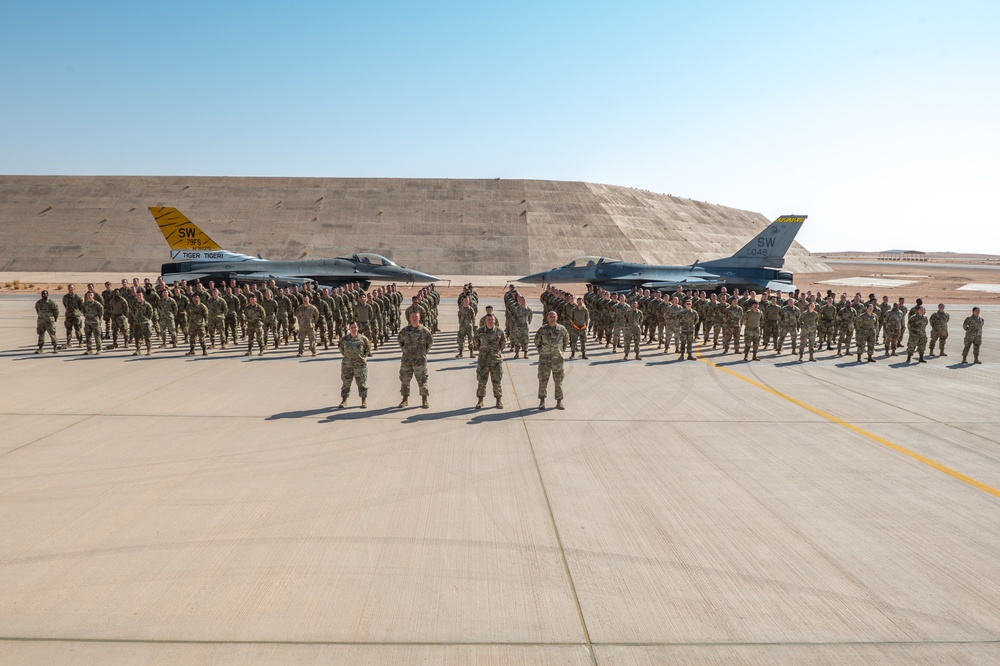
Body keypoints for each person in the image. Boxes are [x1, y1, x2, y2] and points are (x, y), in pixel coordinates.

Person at [397, 311, 433, 408]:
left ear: (419, 318)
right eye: (412, 316)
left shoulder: (424, 331)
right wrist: (406, 351)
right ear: (409, 318)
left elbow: (429, 343)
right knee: (405, 380)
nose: (414, 318)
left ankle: (424, 400)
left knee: (422, 380)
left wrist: (423, 353)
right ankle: (404, 400)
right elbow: (400, 342)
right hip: (406, 361)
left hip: (420, 361)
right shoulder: (404, 331)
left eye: (416, 316)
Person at [534, 311, 569, 409]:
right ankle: (542, 401)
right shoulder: (542, 329)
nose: (552, 318)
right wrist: (542, 351)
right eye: (550, 316)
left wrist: (560, 352)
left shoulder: (562, 329)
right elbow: (537, 342)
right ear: (547, 318)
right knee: (543, 380)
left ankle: (559, 401)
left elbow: (566, 341)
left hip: (557, 360)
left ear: (557, 317)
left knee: (558, 381)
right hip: (544, 360)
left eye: (554, 316)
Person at [474, 313, 506, 409]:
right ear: (485, 321)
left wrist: (496, 352)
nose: (490, 321)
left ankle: (498, 400)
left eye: (492, 319)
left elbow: (503, 343)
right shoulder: (479, 331)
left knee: (497, 381)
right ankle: (480, 401)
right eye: (488, 319)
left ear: (495, 320)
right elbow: (476, 343)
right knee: (481, 381)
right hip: (483, 361)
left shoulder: (499, 331)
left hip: (495, 361)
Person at [339, 322, 372, 408]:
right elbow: (341, 348)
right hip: (347, 365)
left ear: (358, 328)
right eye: (352, 327)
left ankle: (363, 401)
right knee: (346, 383)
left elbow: (367, 349)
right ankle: (344, 400)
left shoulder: (363, 339)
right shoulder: (344, 339)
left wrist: (361, 357)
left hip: (360, 365)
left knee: (362, 383)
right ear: (349, 329)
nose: (354, 329)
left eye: (355, 327)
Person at [34, 290, 60, 354]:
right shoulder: (38, 302)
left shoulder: (51, 302)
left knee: (52, 334)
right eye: (43, 294)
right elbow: (37, 310)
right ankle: (40, 348)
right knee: (41, 334)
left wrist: (54, 319)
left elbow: (56, 311)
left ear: (48, 294)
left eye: (45, 294)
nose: (44, 295)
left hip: (49, 321)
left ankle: (55, 347)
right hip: (41, 321)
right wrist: (41, 316)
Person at [131, 291, 154, 355]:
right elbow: (132, 311)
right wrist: (135, 318)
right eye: (137, 295)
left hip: (145, 323)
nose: (138, 297)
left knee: (147, 336)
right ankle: (138, 350)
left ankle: (149, 349)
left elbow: (151, 313)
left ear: (142, 296)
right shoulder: (134, 304)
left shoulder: (147, 304)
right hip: (137, 322)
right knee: (137, 336)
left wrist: (147, 320)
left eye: (140, 295)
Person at [81, 290, 104, 355]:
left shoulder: (97, 304)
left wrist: (98, 319)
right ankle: (89, 349)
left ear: (93, 296)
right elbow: (83, 311)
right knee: (88, 336)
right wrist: (87, 316)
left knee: (97, 336)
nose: (89, 296)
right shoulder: (84, 304)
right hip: (87, 322)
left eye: (91, 295)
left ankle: (99, 349)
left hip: (95, 322)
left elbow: (101, 312)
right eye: (88, 295)